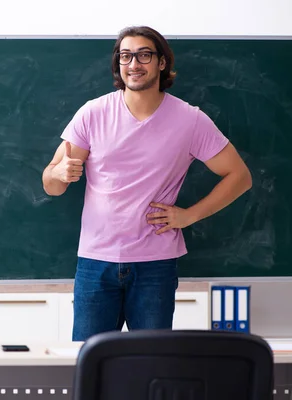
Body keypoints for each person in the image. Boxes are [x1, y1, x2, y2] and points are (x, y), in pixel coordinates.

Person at [41, 26, 252, 341]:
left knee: (152, 365)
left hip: (155, 265)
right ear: (118, 64)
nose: (134, 64)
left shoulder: (190, 120)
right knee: (88, 363)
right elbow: (51, 184)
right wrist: (58, 175)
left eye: (144, 55)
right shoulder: (93, 114)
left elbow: (240, 176)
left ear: (162, 63)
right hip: (96, 262)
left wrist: (189, 215)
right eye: (125, 56)